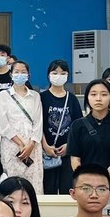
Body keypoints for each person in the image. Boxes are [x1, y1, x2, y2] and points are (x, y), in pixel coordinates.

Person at [68, 79, 110, 217]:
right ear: (87, 98)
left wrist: (101, 181)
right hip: (85, 188)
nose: (98, 98)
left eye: (104, 94)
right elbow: (75, 159)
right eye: (93, 94)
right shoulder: (77, 125)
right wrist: (86, 181)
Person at [0, 59, 43, 193]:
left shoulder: (35, 96)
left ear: (28, 75)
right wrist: (20, 144)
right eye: (16, 72)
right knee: (12, 185)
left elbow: (38, 122)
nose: (20, 75)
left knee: (34, 185)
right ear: (11, 74)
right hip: (11, 145)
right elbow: (3, 124)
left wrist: (31, 144)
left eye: (23, 72)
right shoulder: (3, 96)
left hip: (32, 146)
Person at [40, 59, 83, 194]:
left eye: (63, 73)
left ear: (67, 76)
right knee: (48, 189)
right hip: (46, 153)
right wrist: (45, 146)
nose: (59, 76)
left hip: (67, 153)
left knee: (67, 189)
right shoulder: (41, 97)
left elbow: (78, 126)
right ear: (48, 75)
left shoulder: (72, 99)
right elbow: (37, 125)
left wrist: (69, 145)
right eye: (55, 72)